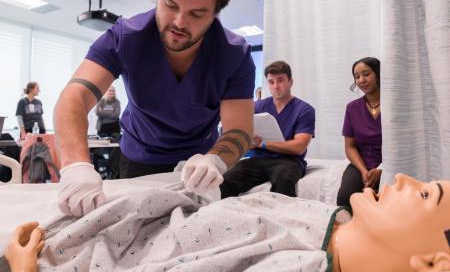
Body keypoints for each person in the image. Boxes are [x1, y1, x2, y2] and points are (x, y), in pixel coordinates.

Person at [53, 0, 255, 217]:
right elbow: (74, 97)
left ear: (216, 13)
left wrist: (216, 160)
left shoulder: (234, 54)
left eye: (197, 14)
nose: (180, 22)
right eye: (170, 4)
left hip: (197, 166)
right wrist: (75, 165)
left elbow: (239, 129)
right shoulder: (125, 38)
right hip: (138, 159)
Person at [5, 174, 450, 272]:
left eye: (427, 194)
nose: (403, 178)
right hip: (132, 222)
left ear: (433, 263)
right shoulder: (332, 219)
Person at [220, 61, 315, 198]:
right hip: (258, 159)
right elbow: (236, 130)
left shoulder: (304, 110)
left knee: (283, 180)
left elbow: (298, 147)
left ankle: (281, 218)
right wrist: (247, 141)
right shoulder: (257, 107)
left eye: (280, 81)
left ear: (291, 82)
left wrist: (264, 144)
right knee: (225, 180)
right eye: (271, 82)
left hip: (289, 161)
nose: (276, 86)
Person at [336, 57, 382, 208]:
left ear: (378, 74)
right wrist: (363, 170)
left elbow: (404, 146)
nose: (361, 80)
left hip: (389, 164)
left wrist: (381, 169)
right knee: (345, 197)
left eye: (366, 74)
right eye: (357, 76)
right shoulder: (352, 108)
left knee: (384, 199)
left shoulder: (394, 104)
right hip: (361, 164)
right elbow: (350, 146)